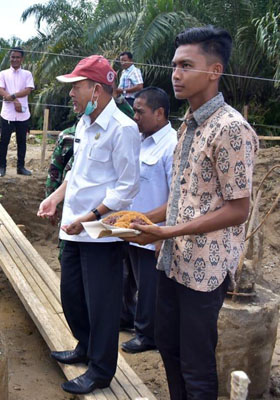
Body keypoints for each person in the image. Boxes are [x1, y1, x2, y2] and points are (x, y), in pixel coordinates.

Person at [126, 26, 259, 399]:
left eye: (186, 65)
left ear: (214, 71)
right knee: (169, 350)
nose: (176, 74)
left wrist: (167, 232)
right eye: (174, 65)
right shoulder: (187, 124)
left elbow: (238, 209)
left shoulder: (231, 128)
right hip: (173, 261)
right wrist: (142, 220)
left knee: (196, 366)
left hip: (206, 268)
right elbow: (186, 199)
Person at [37, 55, 140, 395]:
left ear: (96, 90)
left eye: (75, 87)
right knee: (73, 296)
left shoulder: (123, 129)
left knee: (103, 304)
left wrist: (92, 217)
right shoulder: (83, 124)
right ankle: (84, 345)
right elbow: (76, 174)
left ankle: (100, 369)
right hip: (74, 227)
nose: (71, 95)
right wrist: (56, 198)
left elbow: (127, 187)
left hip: (101, 232)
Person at [119, 87, 177, 354]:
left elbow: (176, 199)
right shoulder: (141, 140)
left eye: (140, 112)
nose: (135, 117)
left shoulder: (172, 146)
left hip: (153, 231)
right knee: (131, 279)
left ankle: (147, 335)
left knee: (150, 287)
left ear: (160, 113)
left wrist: (159, 232)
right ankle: (130, 320)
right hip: (133, 228)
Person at [0, 47, 35, 176]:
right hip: (7, 113)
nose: (15, 59)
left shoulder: (27, 74)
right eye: (13, 57)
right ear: (10, 58)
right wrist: (14, 101)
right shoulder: (3, 73)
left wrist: (12, 96)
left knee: (22, 141)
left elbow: (28, 90)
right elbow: (0, 90)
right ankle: (2, 167)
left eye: (18, 57)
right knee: (4, 141)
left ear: (22, 59)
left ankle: (21, 167)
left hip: (22, 114)